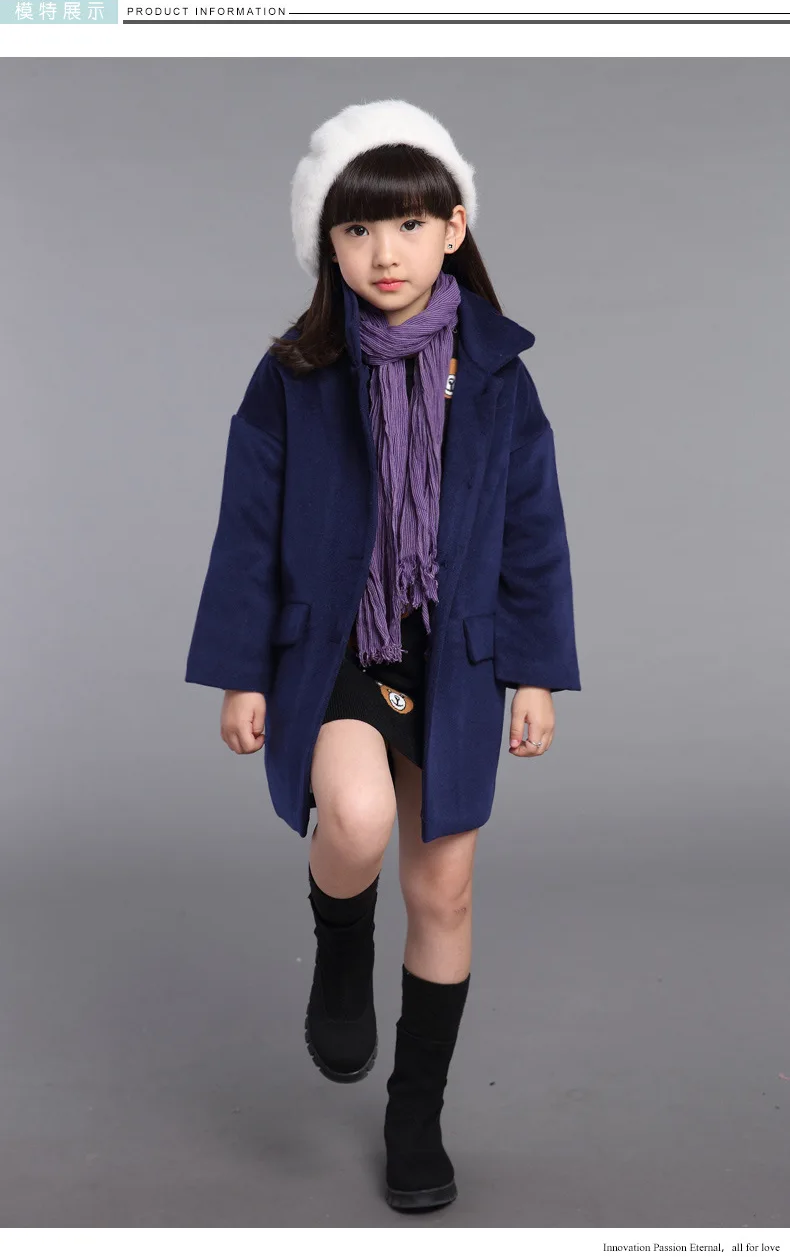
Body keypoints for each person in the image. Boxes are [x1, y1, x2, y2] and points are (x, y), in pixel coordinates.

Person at [185, 98, 581, 1213]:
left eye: (408, 223)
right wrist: (243, 671)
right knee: (354, 821)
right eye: (357, 229)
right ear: (329, 243)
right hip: (338, 647)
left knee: (443, 889)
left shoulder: (496, 375)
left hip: (453, 654)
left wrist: (535, 670)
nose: (384, 251)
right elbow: (247, 529)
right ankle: (340, 943)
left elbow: (532, 529)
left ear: (453, 228)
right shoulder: (296, 373)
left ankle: (416, 1117)